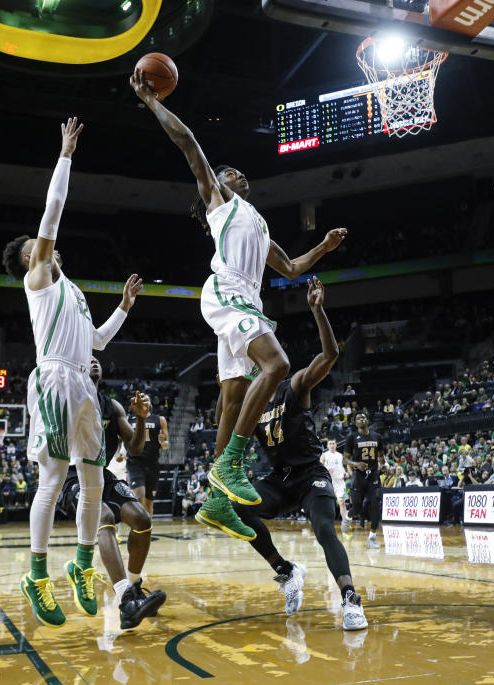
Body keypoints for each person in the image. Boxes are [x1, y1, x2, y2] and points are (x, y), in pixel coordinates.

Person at [131, 71, 346, 539]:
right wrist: (151, 102)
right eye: (229, 172)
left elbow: (290, 268)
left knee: (230, 402)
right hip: (227, 292)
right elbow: (188, 142)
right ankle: (230, 466)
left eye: (237, 173)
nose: (237, 174)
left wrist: (324, 249)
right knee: (279, 364)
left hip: (246, 299)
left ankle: (216, 502)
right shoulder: (219, 203)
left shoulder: (258, 222)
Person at [2, 118, 142, 628]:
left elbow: (98, 341)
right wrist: (65, 154)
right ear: (30, 260)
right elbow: (53, 211)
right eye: (38, 248)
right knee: (53, 476)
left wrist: (124, 308)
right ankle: (36, 576)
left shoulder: (75, 293)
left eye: (48, 248)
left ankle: (81, 565)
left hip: (83, 382)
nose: (50, 250)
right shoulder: (38, 280)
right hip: (55, 381)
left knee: (94, 483)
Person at [226, 277, 367, 630]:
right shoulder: (248, 402)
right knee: (234, 508)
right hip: (279, 481)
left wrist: (317, 310)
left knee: (324, 528)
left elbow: (331, 355)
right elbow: (221, 420)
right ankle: (286, 571)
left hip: (309, 476)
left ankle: (350, 599)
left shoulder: (294, 384)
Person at [59, 357, 167, 630]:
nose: (93, 361)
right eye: (87, 359)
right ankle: (125, 601)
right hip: (71, 475)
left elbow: (136, 448)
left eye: (97, 359)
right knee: (104, 517)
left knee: (142, 519)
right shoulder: (70, 398)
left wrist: (141, 420)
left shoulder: (113, 406)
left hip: (102, 474)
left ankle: (133, 585)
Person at [121, 393, 168, 517]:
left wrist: (163, 442)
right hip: (135, 463)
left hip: (152, 464)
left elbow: (166, 445)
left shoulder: (160, 420)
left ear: (150, 403)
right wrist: (121, 453)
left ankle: (147, 530)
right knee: (138, 497)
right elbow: (122, 439)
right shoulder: (128, 419)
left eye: (146, 398)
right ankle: (139, 528)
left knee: (149, 503)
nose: (143, 400)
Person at [344, 412, 385, 549]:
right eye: (358, 418)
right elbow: (345, 459)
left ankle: (372, 538)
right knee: (356, 508)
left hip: (373, 475)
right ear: (355, 422)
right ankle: (348, 517)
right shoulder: (351, 437)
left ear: (367, 420)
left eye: (363, 417)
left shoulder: (377, 436)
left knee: (375, 506)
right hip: (359, 475)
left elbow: (381, 455)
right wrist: (356, 464)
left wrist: (385, 465)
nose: (361, 419)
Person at [320, 438, 349, 530]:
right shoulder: (324, 455)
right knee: (326, 503)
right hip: (329, 482)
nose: (332, 445)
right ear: (327, 445)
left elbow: (342, 467)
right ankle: (323, 522)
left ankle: (345, 523)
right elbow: (319, 467)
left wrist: (345, 473)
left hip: (340, 482)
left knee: (342, 502)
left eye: (333, 443)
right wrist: (326, 470)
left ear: (336, 445)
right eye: (330, 443)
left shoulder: (340, 455)